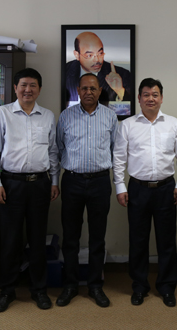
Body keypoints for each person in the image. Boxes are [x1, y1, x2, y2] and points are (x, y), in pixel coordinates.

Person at [0, 68, 60, 313]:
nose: (28, 90)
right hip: (10, 184)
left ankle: (39, 290)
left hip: (40, 184)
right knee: (10, 240)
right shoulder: (2, 113)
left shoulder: (47, 115)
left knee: (37, 240)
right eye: (23, 85)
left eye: (33, 85)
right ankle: (7, 290)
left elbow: (53, 151)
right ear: (15, 88)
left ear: (39, 89)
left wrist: (54, 181)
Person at [112, 78, 177, 307]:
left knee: (167, 241)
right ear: (139, 98)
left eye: (155, 94)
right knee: (138, 241)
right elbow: (119, 158)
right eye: (146, 94)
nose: (150, 99)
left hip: (166, 189)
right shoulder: (127, 125)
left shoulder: (173, 124)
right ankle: (139, 286)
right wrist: (120, 186)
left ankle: (167, 287)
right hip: (138, 189)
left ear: (161, 98)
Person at [55, 73, 118, 308]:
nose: (88, 92)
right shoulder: (66, 116)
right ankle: (70, 285)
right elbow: (59, 148)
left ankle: (95, 286)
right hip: (72, 181)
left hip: (100, 182)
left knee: (97, 237)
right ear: (78, 91)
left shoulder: (110, 117)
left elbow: (115, 150)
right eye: (84, 88)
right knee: (70, 237)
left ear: (100, 91)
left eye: (93, 88)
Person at [65, 31, 131, 106]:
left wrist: (120, 90)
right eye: (89, 55)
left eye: (100, 53)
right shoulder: (65, 71)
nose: (97, 60)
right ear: (77, 55)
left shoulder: (122, 74)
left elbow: (131, 106)